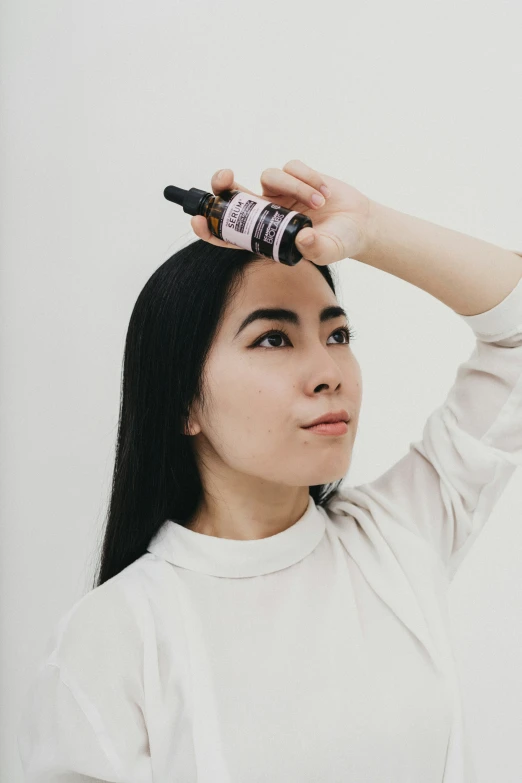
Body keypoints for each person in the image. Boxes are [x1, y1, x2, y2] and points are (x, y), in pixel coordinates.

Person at [17, 160, 522, 782]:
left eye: (337, 335)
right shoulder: (114, 640)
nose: (328, 370)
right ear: (182, 402)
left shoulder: (396, 539)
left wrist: (368, 229)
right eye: (273, 340)